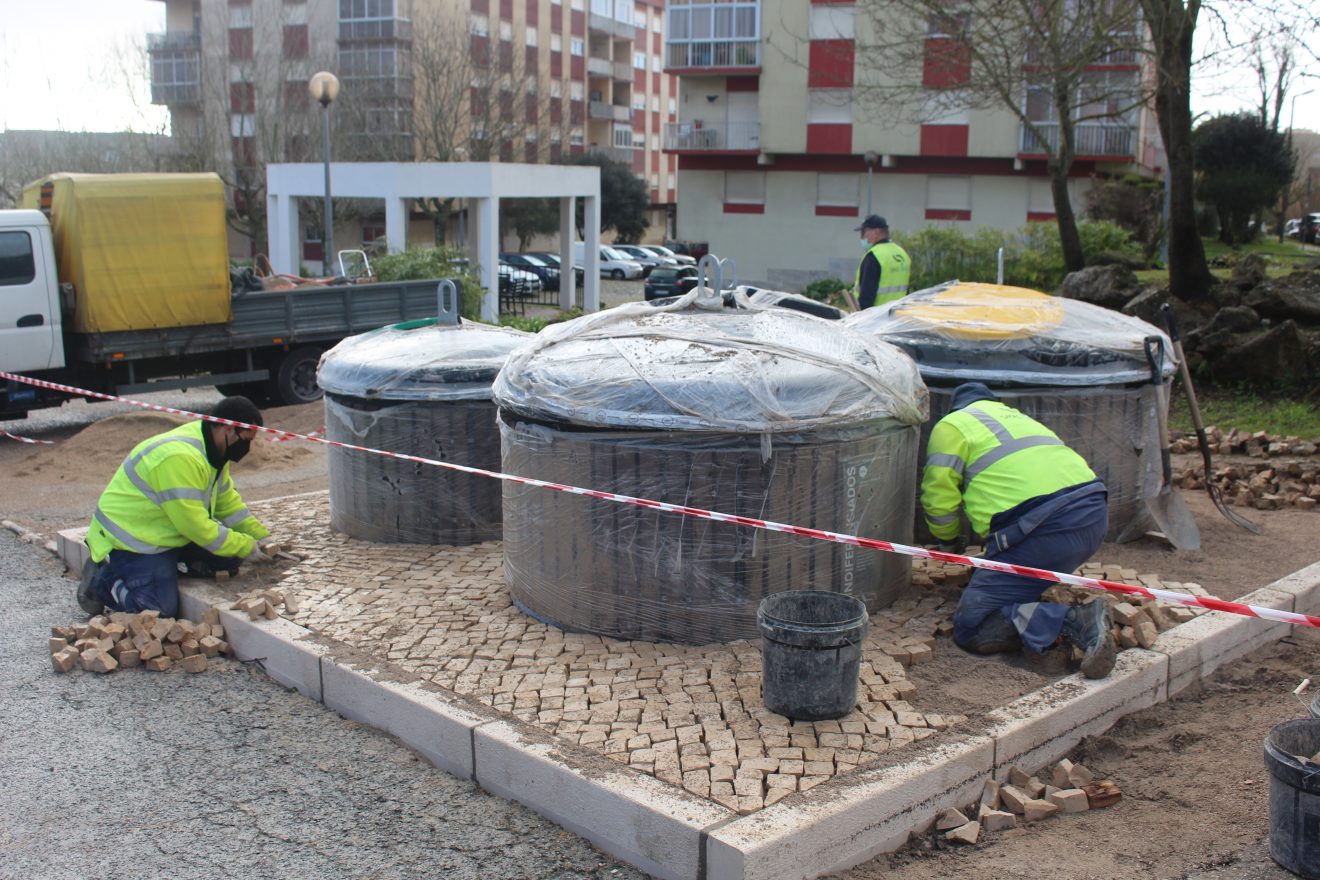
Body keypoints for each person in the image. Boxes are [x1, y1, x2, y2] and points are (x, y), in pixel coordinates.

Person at [920, 382, 1117, 678]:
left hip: (1045, 530)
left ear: (956, 408)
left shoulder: (953, 425)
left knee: (972, 625)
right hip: (1093, 515)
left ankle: (1075, 620)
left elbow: (939, 497)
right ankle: (1022, 595)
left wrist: (948, 543)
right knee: (1012, 574)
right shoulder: (1017, 418)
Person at [77, 396, 279, 619]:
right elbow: (196, 526)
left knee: (228, 559)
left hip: (167, 532)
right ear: (228, 429)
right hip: (134, 541)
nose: (248, 447)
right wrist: (246, 547)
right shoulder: (180, 457)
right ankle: (102, 579)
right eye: (246, 439)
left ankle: (168, 569)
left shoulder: (213, 451)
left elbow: (228, 504)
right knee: (158, 610)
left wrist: (260, 537)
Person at [851, 214, 912, 310]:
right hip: (898, 317)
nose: (861, 237)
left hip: (876, 319)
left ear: (875, 233)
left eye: (863, 232)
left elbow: (866, 297)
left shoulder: (874, 256)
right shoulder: (902, 254)